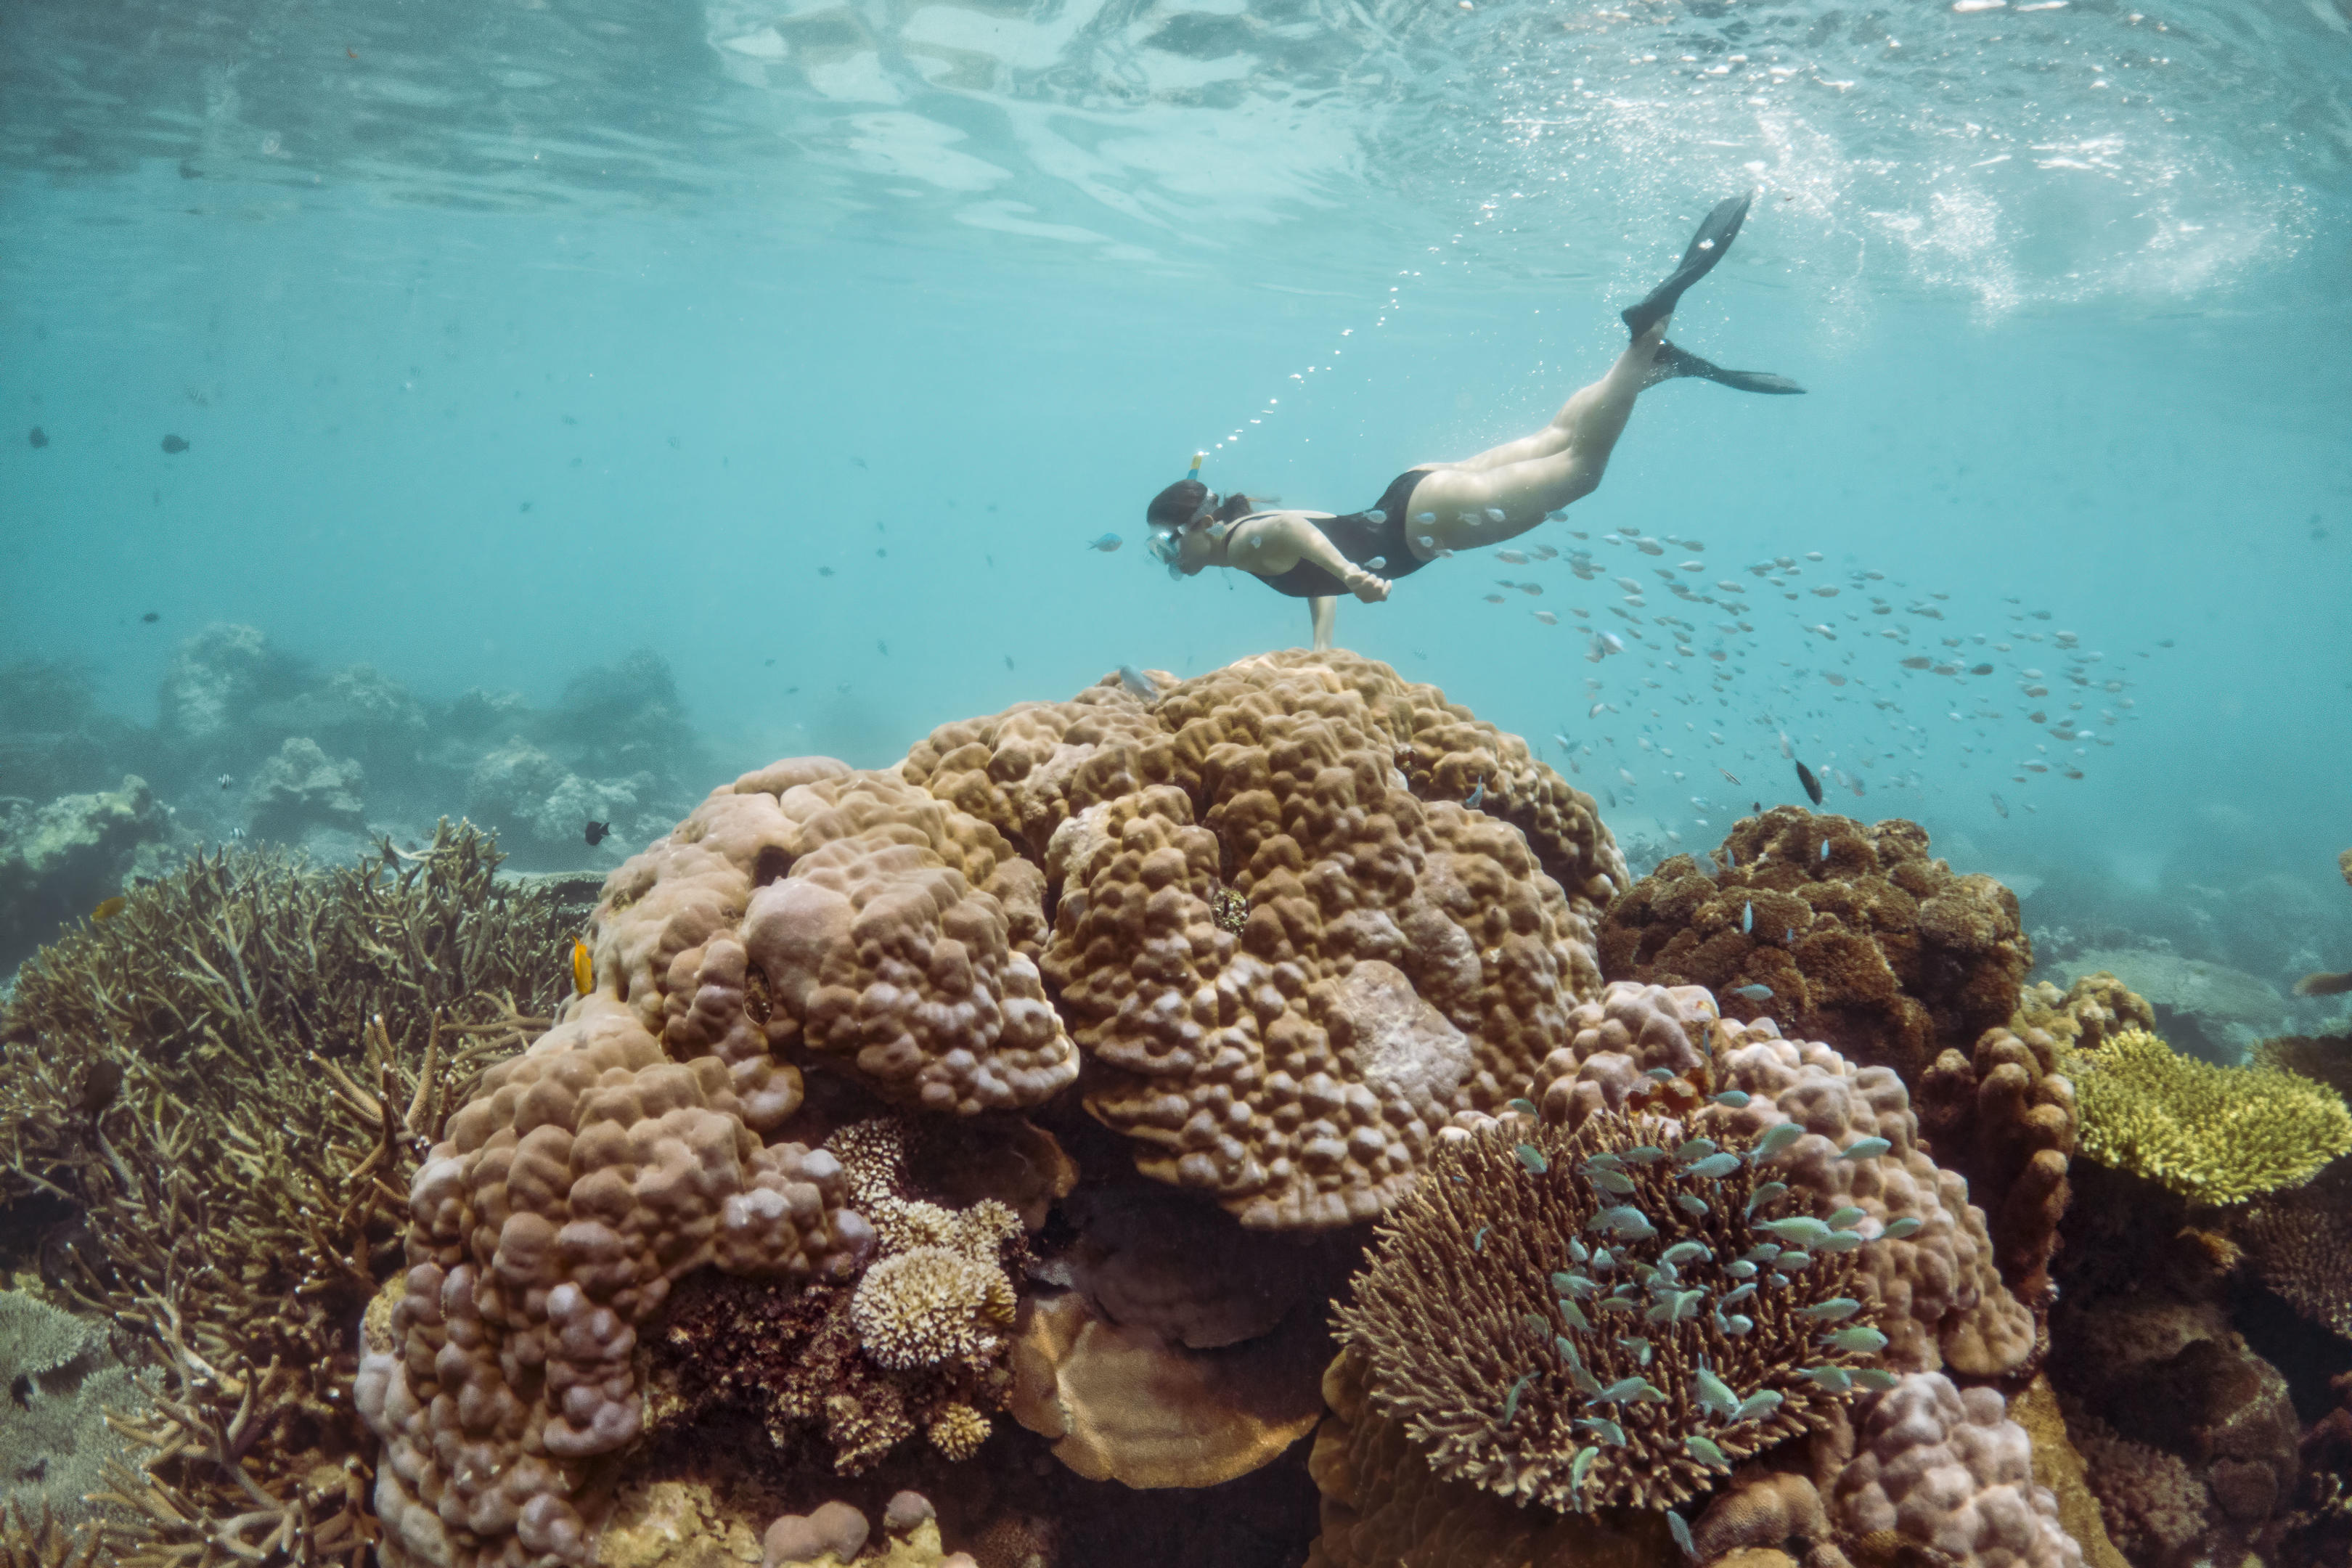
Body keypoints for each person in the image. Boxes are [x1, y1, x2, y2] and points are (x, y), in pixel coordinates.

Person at [1144, 193, 1803, 650]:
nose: (1170, 558)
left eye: (1169, 544)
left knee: (1582, 471)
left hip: (1423, 524)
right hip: (1416, 493)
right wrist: (1325, 642)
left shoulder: (1243, 547)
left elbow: (1298, 536)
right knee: (1557, 437)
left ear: (1199, 527)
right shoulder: (1244, 537)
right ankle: (1646, 364)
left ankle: (1647, 340)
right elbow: (1308, 547)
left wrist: (1352, 577)